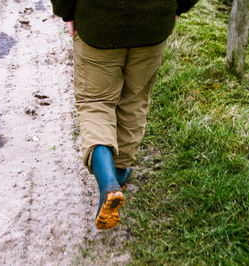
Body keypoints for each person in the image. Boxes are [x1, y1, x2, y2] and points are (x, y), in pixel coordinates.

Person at [51, 0, 198, 230]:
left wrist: (66, 12)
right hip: (153, 25)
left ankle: (108, 182)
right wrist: (178, 7)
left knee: (95, 103)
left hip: (98, 24)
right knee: (135, 100)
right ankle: (119, 174)